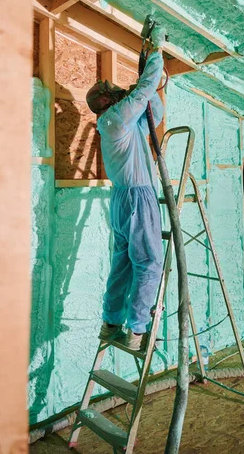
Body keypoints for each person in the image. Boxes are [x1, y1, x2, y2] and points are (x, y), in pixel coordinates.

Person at [86, 32, 165, 351]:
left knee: (122, 264)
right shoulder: (117, 118)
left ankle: (111, 322)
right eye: (110, 90)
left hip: (122, 200)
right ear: (104, 102)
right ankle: (137, 331)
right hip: (138, 197)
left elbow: (152, 114)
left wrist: (145, 94)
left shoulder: (118, 124)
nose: (115, 89)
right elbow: (145, 90)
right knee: (148, 262)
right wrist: (155, 53)